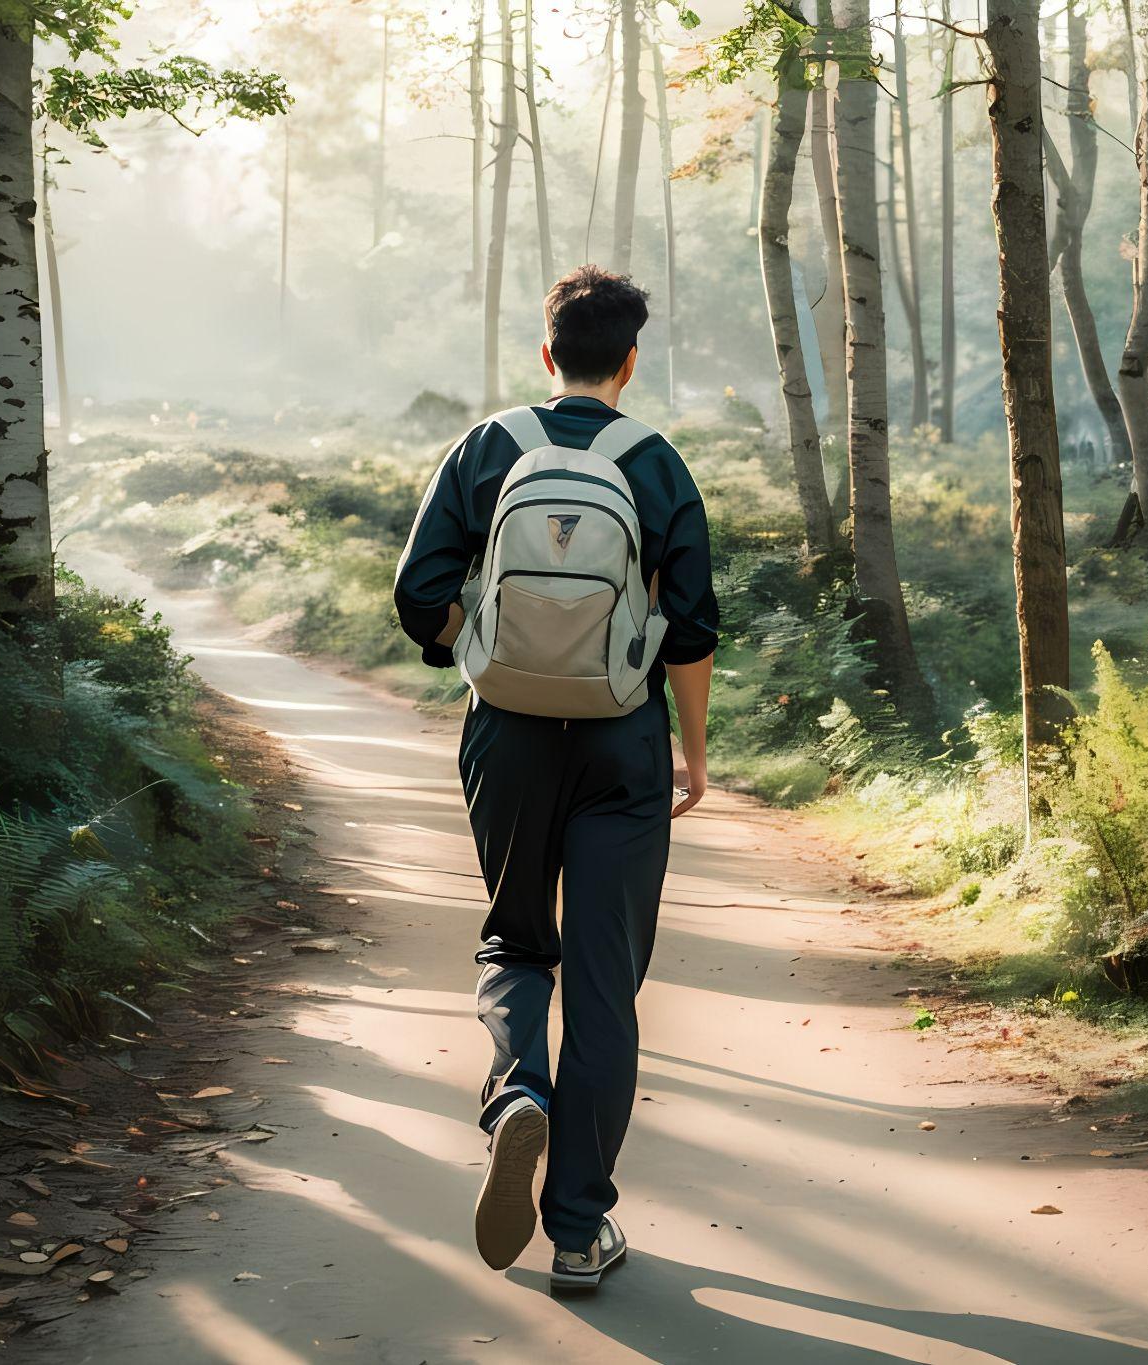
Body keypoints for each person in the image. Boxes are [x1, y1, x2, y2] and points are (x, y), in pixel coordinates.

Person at [392, 266, 717, 1290]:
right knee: (606, 984)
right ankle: (578, 1232)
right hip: (622, 745)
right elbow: (693, 627)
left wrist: (481, 649)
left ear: (547, 354)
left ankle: (514, 1089)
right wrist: (691, 750)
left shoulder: (487, 448)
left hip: (508, 737)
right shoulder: (657, 464)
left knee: (514, 937)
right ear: (628, 360)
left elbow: (417, 594)